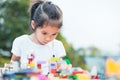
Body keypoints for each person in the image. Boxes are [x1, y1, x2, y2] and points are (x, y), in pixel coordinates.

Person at [10, 0, 66, 74]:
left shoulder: (57, 46)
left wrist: (63, 67)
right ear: (33, 25)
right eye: (44, 33)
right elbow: (13, 63)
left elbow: (61, 67)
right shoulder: (21, 42)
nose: (48, 38)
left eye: (54, 34)